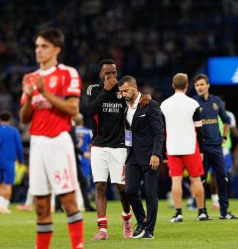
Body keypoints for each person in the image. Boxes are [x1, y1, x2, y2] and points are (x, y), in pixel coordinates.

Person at [19, 27, 83, 249]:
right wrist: (28, 97)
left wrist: (44, 92)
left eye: (44, 46)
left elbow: (73, 109)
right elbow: (24, 118)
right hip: (37, 143)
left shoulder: (68, 73)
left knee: (67, 200)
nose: (39, 50)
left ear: (56, 49)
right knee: (41, 204)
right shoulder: (31, 78)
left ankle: (77, 246)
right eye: (37, 46)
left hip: (58, 141)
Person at [86, 59, 150, 240]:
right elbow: (89, 111)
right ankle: (103, 230)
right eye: (107, 73)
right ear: (101, 74)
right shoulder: (94, 90)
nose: (111, 76)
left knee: (123, 188)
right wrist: (106, 90)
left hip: (120, 146)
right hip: (99, 145)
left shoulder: (122, 91)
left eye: (114, 72)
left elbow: (138, 98)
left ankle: (127, 221)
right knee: (100, 186)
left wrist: (147, 97)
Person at [118, 75, 164, 239]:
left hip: (150, 156)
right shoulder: (124, 106)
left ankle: (149, 230)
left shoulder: (150, 105)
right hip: (132, 156)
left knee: (150, 193)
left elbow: (159, 132)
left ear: (134, 87)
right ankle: (141, 221)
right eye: (121, 91)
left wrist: (156, 154)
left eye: (125, 90)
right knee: (129, 191)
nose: (123, 94)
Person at [160, 73, 208, 222]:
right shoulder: (193, 104)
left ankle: (178, 213)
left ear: (173, 86)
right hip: (191, 148)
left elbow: (161, 131)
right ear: (187, 85)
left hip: (173, 148)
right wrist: (201, 149)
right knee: (196, 180)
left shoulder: (164, 105)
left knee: (176, 181)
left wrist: (163, 152)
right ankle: (201, 212)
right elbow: (199, 130)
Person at [192, 74, 238, 219]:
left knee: (222, 178)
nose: (199, 87)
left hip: (217, 147)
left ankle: (224, 212)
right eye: (197, 85)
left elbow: (227, 120)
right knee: (201, 180)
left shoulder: (216, 101)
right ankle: (202, 212)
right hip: (202, 148)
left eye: (201, 84)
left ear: (208, 85)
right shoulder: (193, 103)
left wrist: (224, 137)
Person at [210, 96, 238, 210]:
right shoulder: (210, 114)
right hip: (213, 147)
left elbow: (234, 131)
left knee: (224, 175)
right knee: (213, 175)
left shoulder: (229, 115)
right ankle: (215, 201)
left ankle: (222, 198)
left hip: (225, 149)